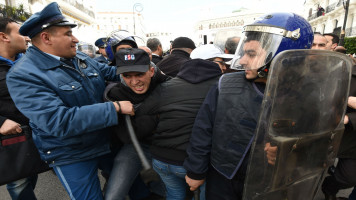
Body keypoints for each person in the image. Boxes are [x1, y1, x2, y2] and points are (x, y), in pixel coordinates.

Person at [5, 3, 134, 200]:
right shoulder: (23, 74)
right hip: (71, 153)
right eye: (67, 34)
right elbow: (58, 121)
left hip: (105, 140)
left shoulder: (78, 57)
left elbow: (111, 73)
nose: (75, 39)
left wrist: (140, 71)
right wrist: (114, 107)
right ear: (46, 38)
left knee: (135, 188)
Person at [183, 12, 313, 200]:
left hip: (271, 184)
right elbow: (203, 129)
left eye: (251, 54)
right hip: (223, 177)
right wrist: (196, 170)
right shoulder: (225, 84)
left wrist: (290, 153)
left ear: (283, 55)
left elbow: (316, 144)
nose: (242, 61)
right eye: (243, 53)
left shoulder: (309, 95)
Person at [135, 44, 224, 200]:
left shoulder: (166, 86)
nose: (224, 66)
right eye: (222, 62)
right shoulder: (221, 87)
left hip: (161, 159)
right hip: (196, 163)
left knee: (174, 195)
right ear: (213, 63)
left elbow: (143, 114)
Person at [104, 48, 169, 200]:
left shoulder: (167, 85)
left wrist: (142, 118)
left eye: (139, 74)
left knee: (167, 193)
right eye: (127, 76)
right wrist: (157, 116)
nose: (134, 81)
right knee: (113, 195)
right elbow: (127, 135)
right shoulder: (115, 94)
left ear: (151, 71)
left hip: (166, 147)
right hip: (136, 147)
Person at [0, 17, 38, 200]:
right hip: (11, 141)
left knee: (31, 174)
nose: (27, 37)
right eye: (21, 32)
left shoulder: (30, 62)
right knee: (19, 183)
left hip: (36, 136)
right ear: (4, 36)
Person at [321, 60, 356, 199]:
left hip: (352, 140)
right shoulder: (343, 71)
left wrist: (350, 118)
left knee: (349, 177)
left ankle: (329, 187)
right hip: (327, 132)